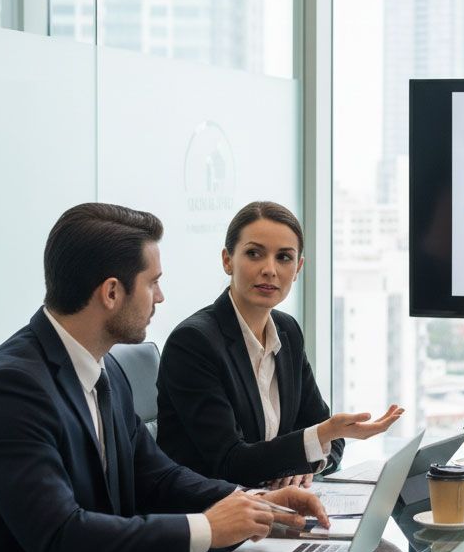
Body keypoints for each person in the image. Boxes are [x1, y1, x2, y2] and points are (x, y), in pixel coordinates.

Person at [0, 204, 329, 552]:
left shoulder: (108, 371)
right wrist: (206, 529)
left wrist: (256, 502)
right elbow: (60, 536)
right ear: (112, 293)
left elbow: (159, 476)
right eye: (152, 283)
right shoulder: (13, 386)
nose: (161, 296)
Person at [156, 201, 402, 488]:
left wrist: (305, 467)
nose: (270, 270)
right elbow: (229, 462)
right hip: (214, 517)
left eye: (284, 257)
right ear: (227, 260)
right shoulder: (194, 342)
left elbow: (330, 441)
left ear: (298, 268)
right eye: (254, 254)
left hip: (275, 507)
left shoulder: (287, 331)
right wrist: (318, 438)